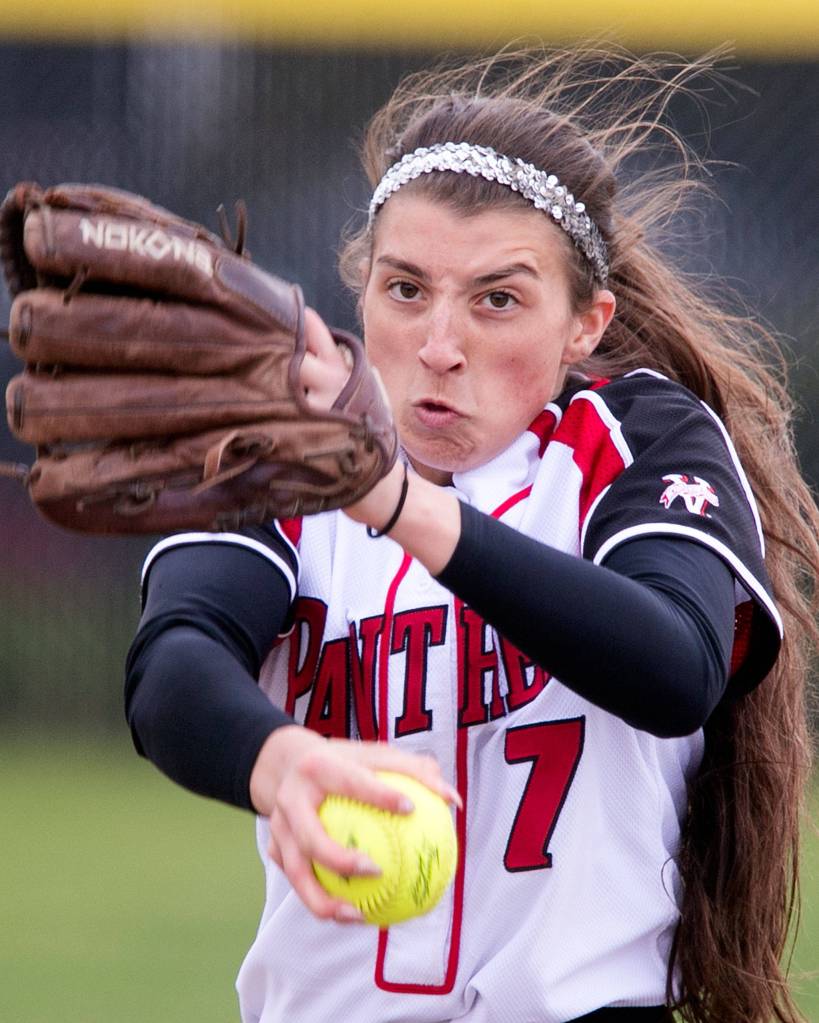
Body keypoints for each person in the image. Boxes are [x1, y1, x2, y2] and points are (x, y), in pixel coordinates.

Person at [124, 47, 819, 1023]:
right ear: (362, 291)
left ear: (586, 323)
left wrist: (398, 503)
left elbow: (673, 665)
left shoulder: (633, 442)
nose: (441, 345)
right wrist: (280, 764)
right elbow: (174, 666)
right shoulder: (288, 451)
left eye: (497, 298)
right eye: (406, 289)